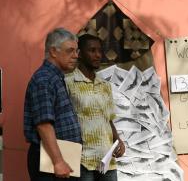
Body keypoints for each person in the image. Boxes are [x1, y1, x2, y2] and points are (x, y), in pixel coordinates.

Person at [65, 34, 125, 181]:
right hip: (81, 160)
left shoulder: (104, 85)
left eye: (99, 51)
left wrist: (119, 141)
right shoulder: (68, 82)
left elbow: (108, 119)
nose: (98, 55)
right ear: (79, 54)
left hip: (107, 159)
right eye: (92, 50)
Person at [24, 27, 82, 181]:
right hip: (50, 159)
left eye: (77, 51)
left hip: (62, 155)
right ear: (53, 52)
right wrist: (58, 161)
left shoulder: (55, 77)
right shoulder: (44, 79)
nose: (75, 56)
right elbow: (43, 124)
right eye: (70, 51)